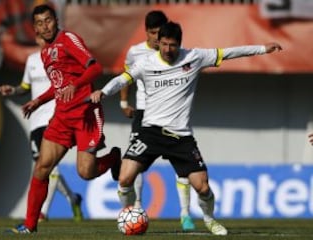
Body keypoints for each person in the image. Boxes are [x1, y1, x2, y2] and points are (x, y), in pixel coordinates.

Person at [91, 21, 282, 235]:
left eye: (172, 45)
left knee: (203, 187)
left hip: (180, 137)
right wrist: (104, 92)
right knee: (125, 177)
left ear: (179, 44)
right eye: (163, 44)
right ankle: (128, 216)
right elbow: (122, 79)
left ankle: (209, 219)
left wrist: (262, 48)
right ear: (158, 42)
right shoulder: (146, 63)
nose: (167, 50)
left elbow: (228, 53)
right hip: (150, 132)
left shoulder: (194, 57)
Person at [6, 4, 121, 234]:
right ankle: (30, 226)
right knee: (41, 168)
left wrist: (76, 85)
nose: (45, 26)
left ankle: (113, 158)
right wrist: (38, 101)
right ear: (35, 29)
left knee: (85, 172)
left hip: (86, 114)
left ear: (55, 19)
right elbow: (58, 86)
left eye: (48, 20)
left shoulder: (68, 39)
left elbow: (95, 67)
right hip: (62, 116)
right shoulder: (45, 52)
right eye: (39, 23)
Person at [120, 10, 195, 231]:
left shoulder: (176, 53)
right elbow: (126, 77)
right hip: (144, 114)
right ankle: (137, 207)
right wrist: (124, 103)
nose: (155, 37)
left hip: (171, 115)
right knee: (135, 166)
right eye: (152, 33)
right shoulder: (135, 52)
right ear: (146, 32)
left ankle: (185, 214)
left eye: (159, 33)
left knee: (182, 167)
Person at [0, 36, 83, 222]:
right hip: (36, 122)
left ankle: (42, 212)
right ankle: (73, 198)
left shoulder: (62, 57)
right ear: (35, 37)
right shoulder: (32, 60)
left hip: (56, 117)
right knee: (42, 168)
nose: (45, 36)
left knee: (51, 169)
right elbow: (25, 87)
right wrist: (12, 90)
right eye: (40, 32)